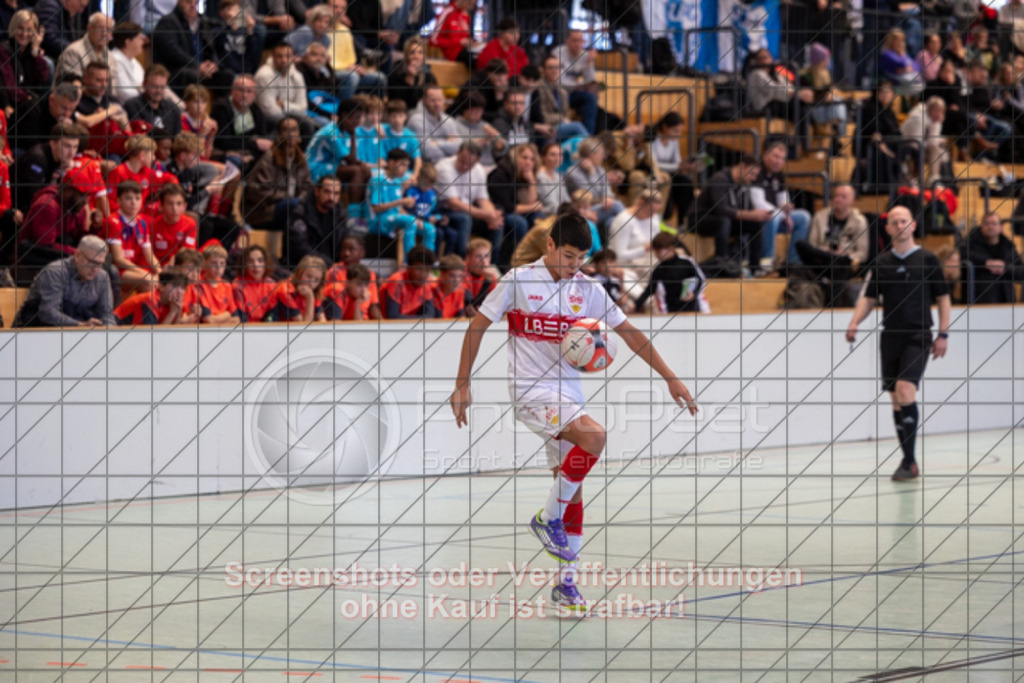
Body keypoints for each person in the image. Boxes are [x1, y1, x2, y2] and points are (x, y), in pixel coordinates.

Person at [449, 213, 699, 613]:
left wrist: (671, 378)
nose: (574, 265)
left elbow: (630, 334)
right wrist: (463, 382)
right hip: (530, 390)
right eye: (568, 256)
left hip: (569, 393)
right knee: (595, 437)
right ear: (549, 245)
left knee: (573, 487)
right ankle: (547, 519)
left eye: (581, 257)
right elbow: (476, 326)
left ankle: (566, 586)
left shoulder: (589, 288)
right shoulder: (518, 281)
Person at [845, 205, 951, 481]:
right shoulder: (882, 263)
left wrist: (943, 334)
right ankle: (908, 461)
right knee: (895, 398)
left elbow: (943, 298)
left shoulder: (927, 259)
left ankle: (909, 461)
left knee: (906, 389)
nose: (900, 224)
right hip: (890, 335)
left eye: (904, 220)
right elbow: (869, 298)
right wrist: (855, 321)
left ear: (913, 225)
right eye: (894, 221)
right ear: (889, 228)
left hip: (918, 335)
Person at [690, 154, 771, 274]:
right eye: (752, 174)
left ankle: (755, 267)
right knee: (724, 220)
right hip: (699, 220)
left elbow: (744, 210)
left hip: (723, 221)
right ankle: (721, 264)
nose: (753, 178)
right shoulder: (720, 179)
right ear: (742, 166)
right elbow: (721, 209)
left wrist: (757, 215)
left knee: (756, 225)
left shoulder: (742, 185)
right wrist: (751, 214)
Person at [13, 234, 117, 327]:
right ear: (77, 255)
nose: (95, 269)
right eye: (92, 262)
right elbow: (48, 313)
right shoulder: (55, 272)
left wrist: (110, 331)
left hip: (76, 335)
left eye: (100, 264)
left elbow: (106, 314)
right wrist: (80, 325)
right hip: (33, 333)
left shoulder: (103, 277)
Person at [795, 183, 870, 306]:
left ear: (852, 200)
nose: (838, 199)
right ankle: (834, 259)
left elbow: (862, 253)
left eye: (843, 196)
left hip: (843, 263)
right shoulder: (820, 216)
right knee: (800, 244)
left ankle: (832, 308)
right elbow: (812, 245)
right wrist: (826, 251)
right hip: (821, 259)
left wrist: (845, 254)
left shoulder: (859, 221)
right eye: (836, 196)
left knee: (839, 265)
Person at [242, 116, 313, 232]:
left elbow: (308, 187)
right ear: (279, 134)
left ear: (299, 135)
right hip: (263, 212)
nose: (291, 134)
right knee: (295, 206)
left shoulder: (301, 160)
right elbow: (258, 191)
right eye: (286, 130)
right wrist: (289, 198)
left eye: (294, 130)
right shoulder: (269, 158)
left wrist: (301, 199)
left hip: (291, 207)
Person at [752, 138, 813, 271]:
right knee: (772, 216)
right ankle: (766, 262)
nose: (778, 161)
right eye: (775, 156)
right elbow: (758, 203)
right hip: (759, 218)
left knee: (804, 217)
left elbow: (783, 199)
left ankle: (793, 262)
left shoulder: (779, 175)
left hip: (778, 217)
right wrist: (781, 215)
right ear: (765, 154)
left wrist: (787, 208)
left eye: (782, 158)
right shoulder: (756, 171)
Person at [435, 141, 503, 258]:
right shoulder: (444, 168)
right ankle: (461, 261)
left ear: (477, 162)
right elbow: (453, 203)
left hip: (468, 210)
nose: (464, 166)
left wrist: (493, 216)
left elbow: (483, 199)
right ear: (457, 153)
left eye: (469, 164)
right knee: (465, 219)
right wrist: (485, 215)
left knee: (499, 222)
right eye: (462, 161)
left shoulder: (479, 170)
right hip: (443, 210)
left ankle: (491, 265)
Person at [211, 74, 274, 174]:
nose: (245, 95)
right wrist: (253, 145)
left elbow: (262, 135)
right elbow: (223, 142)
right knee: (236, 161)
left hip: (247, 149)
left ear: (254, 95)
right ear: (232, 91)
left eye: (249, 91)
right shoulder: (222, 108)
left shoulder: (255, 110)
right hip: (223, 151)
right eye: (241, 90)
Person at [104, 180, 160, 290]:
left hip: (134, 269)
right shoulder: (112, 222)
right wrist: (146, 274)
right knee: (148, 282)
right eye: (128, 198)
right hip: (116, 270)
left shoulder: (142, 223)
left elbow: (149, 255)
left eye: (137, 198)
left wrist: (160, 272)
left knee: (164, 282)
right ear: (119, 201)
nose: (133, 202)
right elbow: (118, 259)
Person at [632, 232, 708, 314]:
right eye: (655, 252)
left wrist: (694, 293)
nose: (657, 255)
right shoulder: (659, 269)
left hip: (692, 308)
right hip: (672, 310)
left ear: (671, 248)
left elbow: (700, 280)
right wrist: (636, 305)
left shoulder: (686, 263)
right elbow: (649, 290)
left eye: (660, 251)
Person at [368, 148, 422, 261]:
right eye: (402, 165)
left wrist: (416, 218)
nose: (405, 170)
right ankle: (410, 263)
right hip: (378, 221)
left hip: (392, 219)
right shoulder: (377, 180)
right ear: (391, 163)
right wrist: (401, 201)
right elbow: (377, 208)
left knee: (429, 229)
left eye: (407, 166)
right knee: (410, 222)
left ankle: (427, 264)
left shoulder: (397, 182)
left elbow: (398, 209)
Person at [959, 211, 1024, 304]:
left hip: (1006, 302)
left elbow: (1020, 272)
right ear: (981, 227)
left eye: (994, 223)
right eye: (986, 223)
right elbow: (963, 255)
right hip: (978, 302)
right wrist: (986, 263)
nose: (990, 227)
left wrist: (1004, 268)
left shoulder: (1009, 247)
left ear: (1001, 227)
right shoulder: (969, 244)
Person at [285, 175, 349, 269]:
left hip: (332, 269)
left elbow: (343, 243)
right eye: (327, 192)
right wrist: (330, 265)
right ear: (317, 191)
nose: (331, 197)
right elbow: (300, 249)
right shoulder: (300, 213)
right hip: (303, 269)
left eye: (336, 193)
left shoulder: (340, 214)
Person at [254, 42, 316, 137]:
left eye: (287, 56)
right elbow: (270, 112)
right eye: (279, 56)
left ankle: (301, 152)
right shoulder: (265, 75)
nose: (284, 60)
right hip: (265, 120)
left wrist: (284, 105)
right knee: (296, 127)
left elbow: (303, 108)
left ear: (293, 57)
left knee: (309, 124)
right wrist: (291, 119)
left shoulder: (297, 75)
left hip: (287, 115)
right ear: (273, 57)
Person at [325, 234, 381, 320]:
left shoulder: (369, 274)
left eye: (351, 249)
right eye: (343, 248)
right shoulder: (334, 272)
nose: (346, 253)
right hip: (343, 319)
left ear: (362, 252)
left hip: (363, 320)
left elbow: (373, 305)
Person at [183, 243, 241, 323]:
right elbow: (209, 320)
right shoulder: (198, 285)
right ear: (204, 264)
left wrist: (220, 319)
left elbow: (237, 319)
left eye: (222, 263)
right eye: (214, 263)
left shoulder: (227, 285)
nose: (218, 267)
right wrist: (227, 315)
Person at [407, 84, 461, 164]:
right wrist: (447, 142)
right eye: (432, 100)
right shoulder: (416, 120)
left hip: (449, 165)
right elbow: (427, 151)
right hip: (425, 166)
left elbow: (459, 146)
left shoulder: (449, 120)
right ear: (423, 100)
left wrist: (438, 143)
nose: (437, 104)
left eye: (440, 100)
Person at [114, 266, 189, 324]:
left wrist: (177, 312)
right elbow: (154, 337)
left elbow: (174, 335)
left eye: (183, 287)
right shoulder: (150, 299)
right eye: (175, 285)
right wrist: (172, 313)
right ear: (161, 286)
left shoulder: (173, 303)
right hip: (115, 329)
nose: (180, 291)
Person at [379, 244, 438, 318]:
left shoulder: (427, 282)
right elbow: (392, 316)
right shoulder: (397, 282)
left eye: (427, 270)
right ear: (409, 268)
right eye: (419, 269)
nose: (423, 274)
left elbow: (430, 315)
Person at [55, 12, 113, 83]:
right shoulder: (73, 52)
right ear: (89, 28)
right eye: (100, 28)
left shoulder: (110, 56)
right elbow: (72, 88)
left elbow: (113, 88)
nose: (104, 33)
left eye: (108, 30)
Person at [269, 253, 327, 322]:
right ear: (299, 273)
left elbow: (323, 322)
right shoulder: (284, 290)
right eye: (308, 276)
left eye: (316, 280)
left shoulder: (314, 292)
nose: (311, 283)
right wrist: (310, 298)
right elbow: (303, 327)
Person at [150, 183, 198, 265]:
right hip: (156, 267)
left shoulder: (190, 224)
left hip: (180, 267)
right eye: (170, 204)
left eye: (179, 204)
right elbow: (148, 253)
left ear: (184, 206)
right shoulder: (152, 225)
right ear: (161, 206)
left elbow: (187, 254)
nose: (175, 209)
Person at [387, 36, 436, 111]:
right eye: (412, 52)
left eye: (420, 53)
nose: (416, 56)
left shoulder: (428, 75)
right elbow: (396, 102)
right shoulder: (397, 72)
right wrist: (409, 79)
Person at [232, 244, 279, 322]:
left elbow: (272, 315)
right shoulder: (237, 285)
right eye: (250, 261)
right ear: (244, 264)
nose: (256, 265)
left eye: (260, 261)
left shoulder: (271, 284)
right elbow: (241, 318)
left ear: (265, 263)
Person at [109, 21, 147, 103]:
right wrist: (146, 97)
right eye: (139, 39)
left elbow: (144, 83)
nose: (142, 42)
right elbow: (123, 91)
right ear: (128, 42)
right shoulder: (115, 60)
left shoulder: (133, 60)